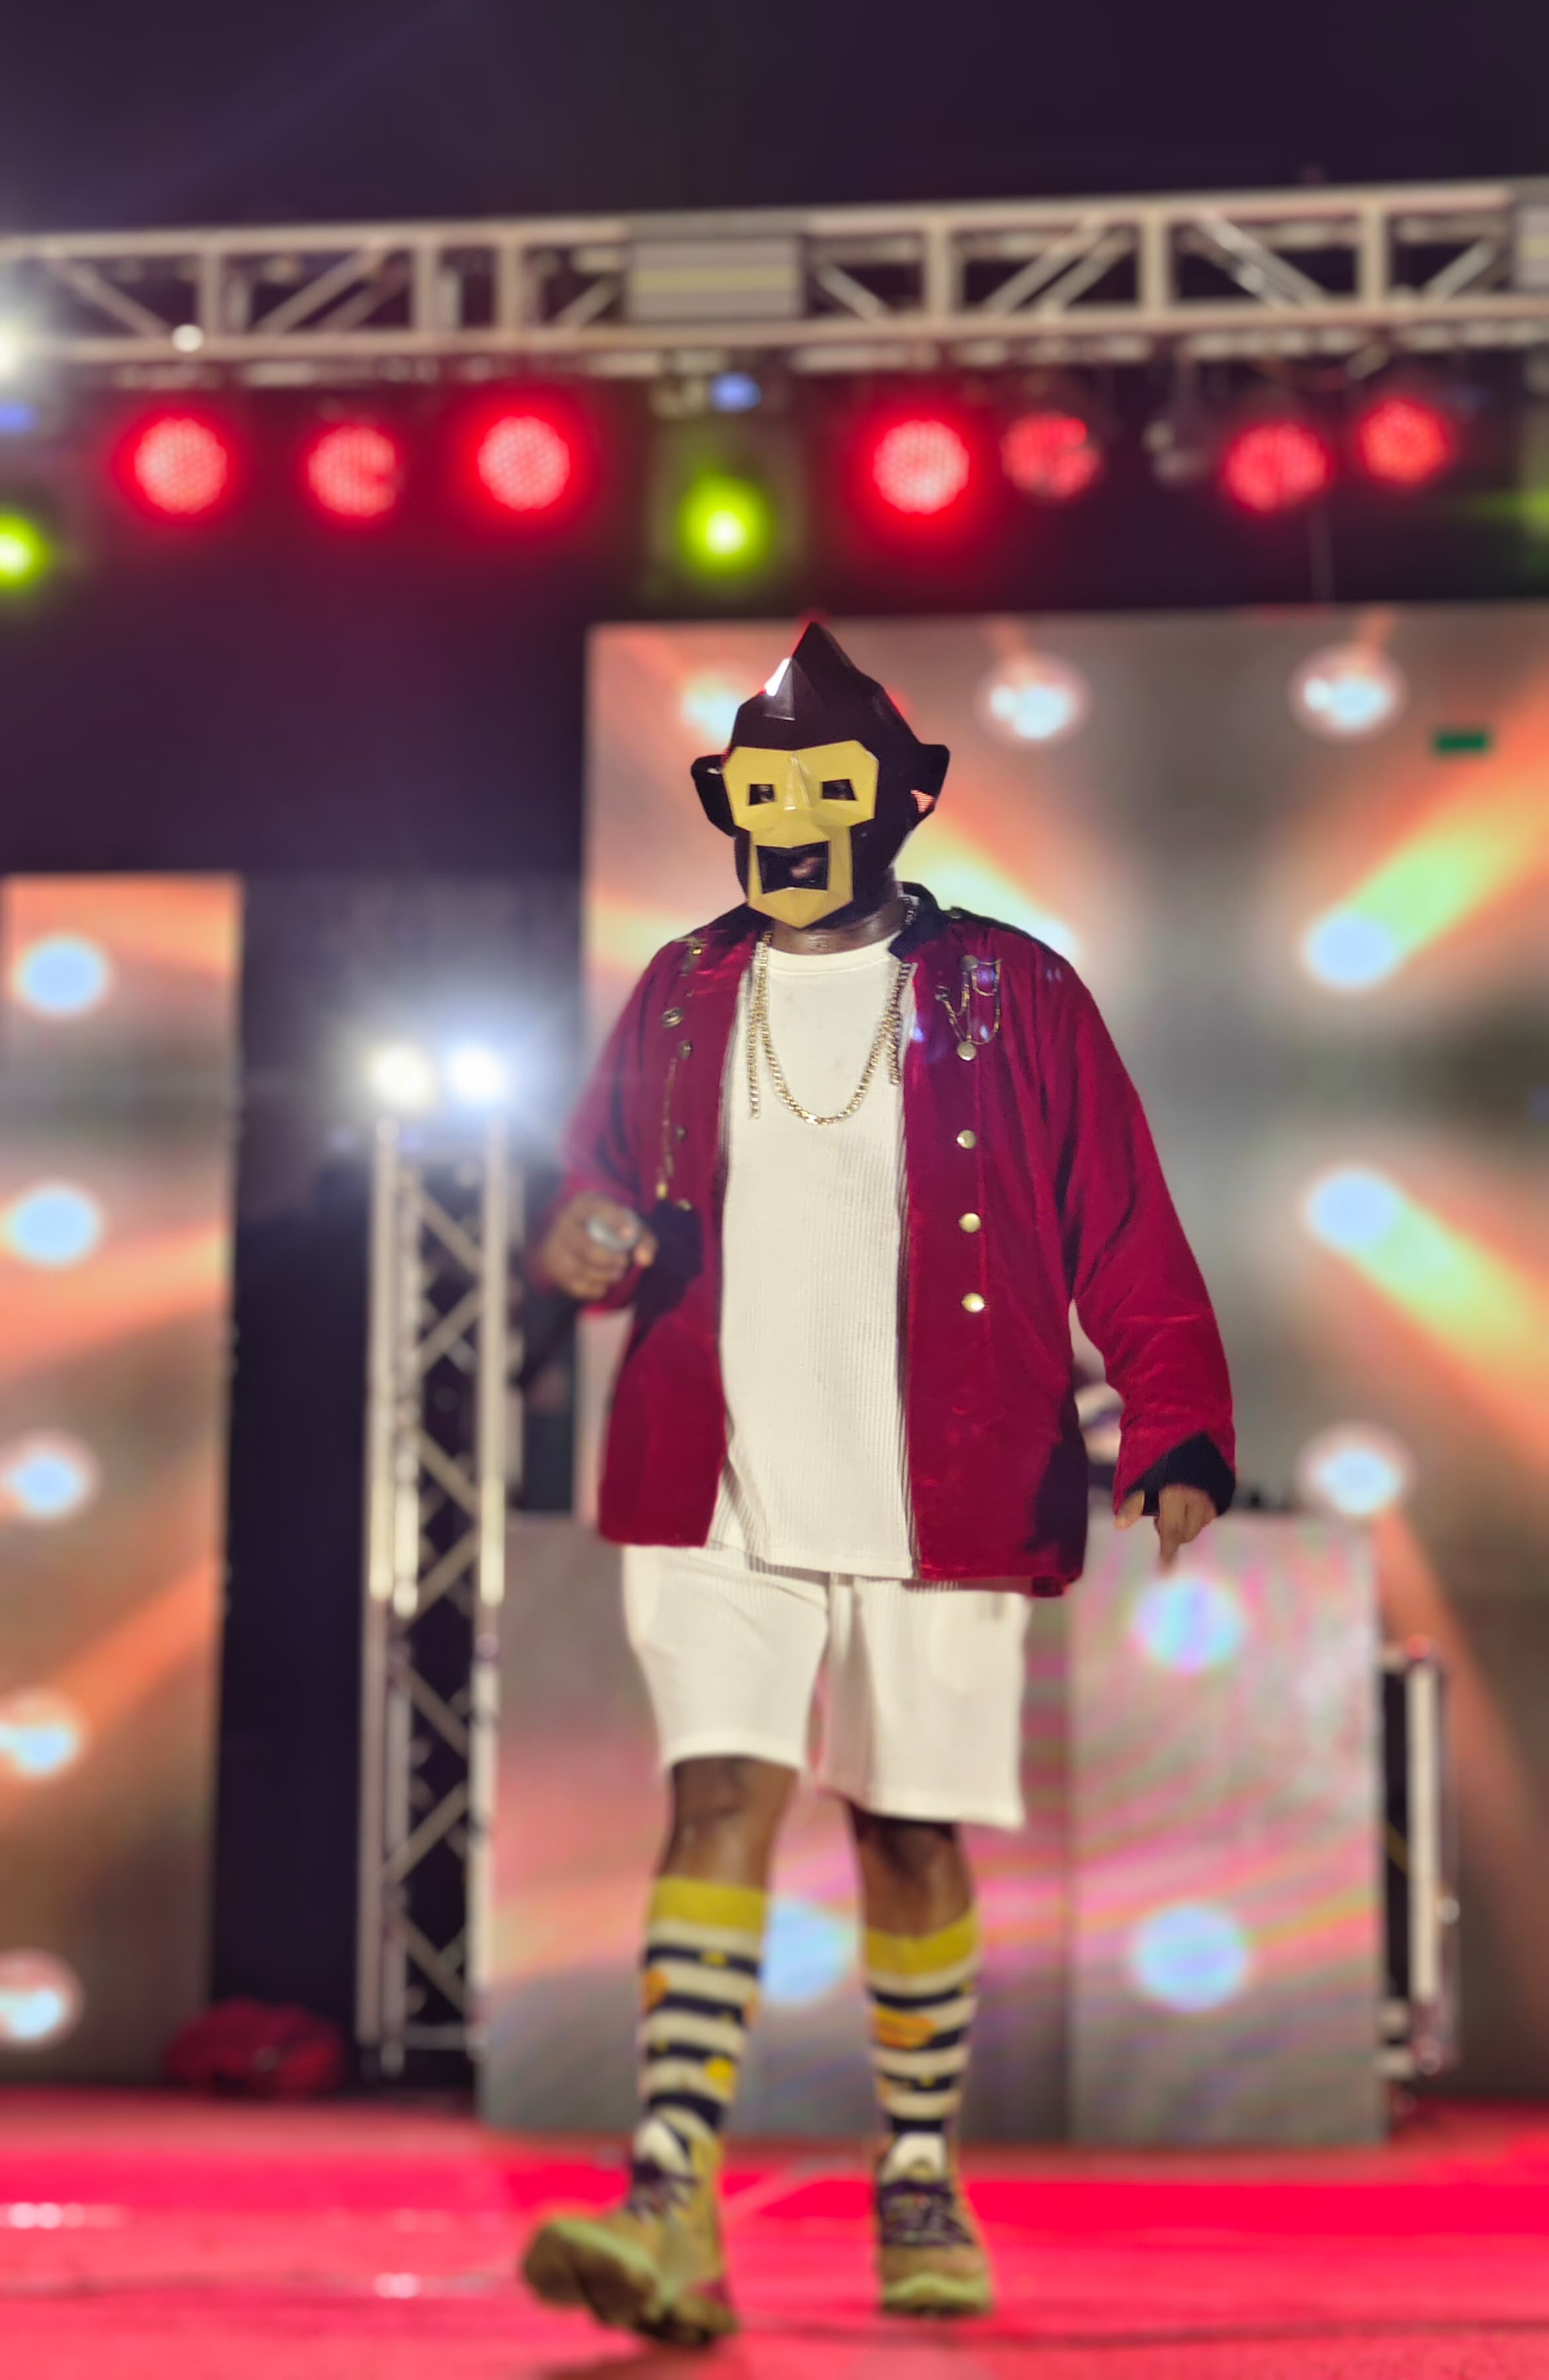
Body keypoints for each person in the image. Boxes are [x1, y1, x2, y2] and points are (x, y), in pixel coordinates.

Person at [521, 622, 1234, 2344]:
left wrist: (1175, 1419)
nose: (788, 828)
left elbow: (1119, 1211)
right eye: (759, 797)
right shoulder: (681, 986)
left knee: (908, 1829)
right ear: (731, 808)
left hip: (949, 1477)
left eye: (822, 793)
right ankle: (667, 2195)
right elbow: (590, 1195)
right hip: (712, 1472)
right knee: (716, 1796)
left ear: (896, 803)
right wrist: (583, 1243)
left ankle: (916, 2171)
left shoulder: (1013, 989)